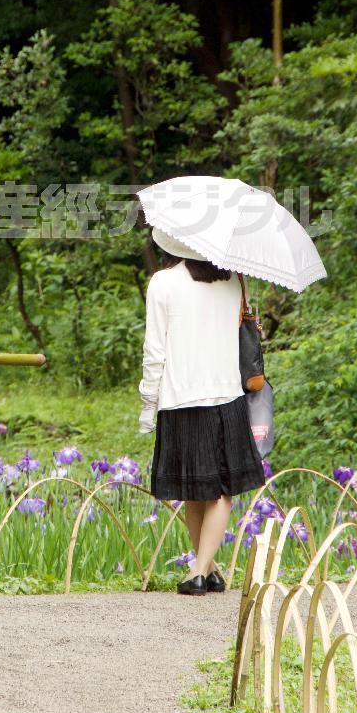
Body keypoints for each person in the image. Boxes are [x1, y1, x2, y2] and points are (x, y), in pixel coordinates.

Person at [138, 226, 266, 596]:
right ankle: (206, 569)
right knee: (216, 490)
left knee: (196, 490)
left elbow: (154, 353)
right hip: (227, 397)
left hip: (180, 398)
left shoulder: (163, 283)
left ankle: (198, 569)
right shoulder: (232, 283)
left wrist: (149, 405)